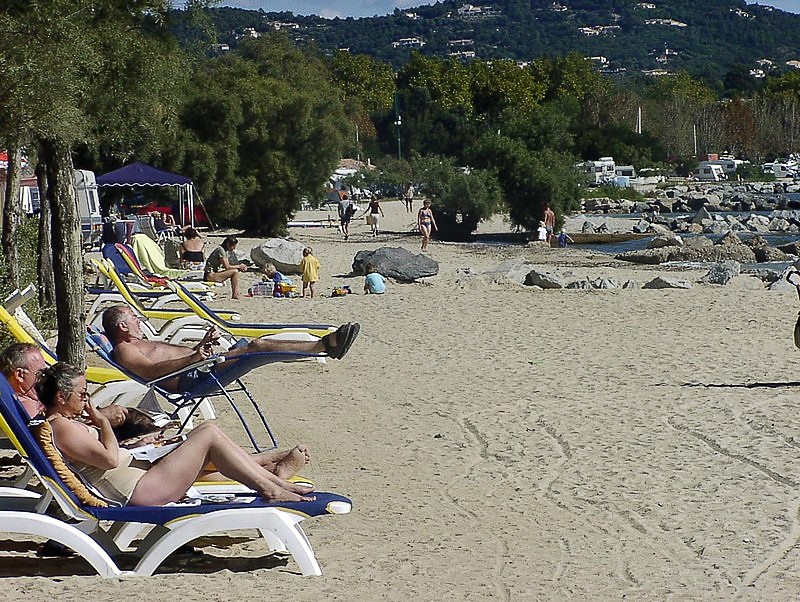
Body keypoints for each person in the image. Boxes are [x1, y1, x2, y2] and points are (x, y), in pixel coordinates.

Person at [35, 363, 316, 505]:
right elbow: (108, 461)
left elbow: (104, 457)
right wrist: (102, 422)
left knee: (204, 436)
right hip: (140, 490)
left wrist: (141, 446)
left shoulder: (66, 423)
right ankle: (271, 487)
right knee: (208, 434)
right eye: (83, 394)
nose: (87, 400)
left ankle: (276, 480)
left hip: (143, 474)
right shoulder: (61, 427)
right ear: (62, 396)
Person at [102, 305, 359, 393]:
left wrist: (200, 348)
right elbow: (151, 372)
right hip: (194, 378)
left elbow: (167, 359)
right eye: (133, 318)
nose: (139, 320)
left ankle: (323, 346)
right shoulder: (125, 350)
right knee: (258, 346)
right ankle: (324, 345)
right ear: (123, 326)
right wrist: (195, 356)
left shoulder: (137, 343)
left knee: (250, 347)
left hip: (200, 366)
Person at [0, 342, 127, 426]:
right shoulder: (25, 405)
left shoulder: (20, 399)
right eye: (42, 373)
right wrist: (101, 417)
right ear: (20, 375)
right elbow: (51, 432)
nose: (47, 376)